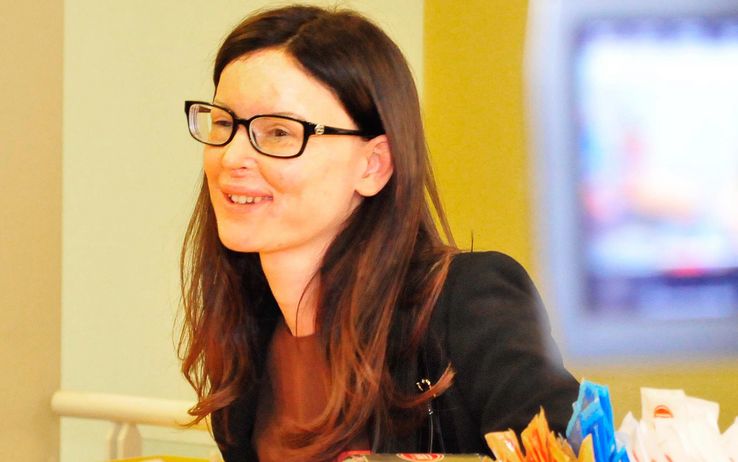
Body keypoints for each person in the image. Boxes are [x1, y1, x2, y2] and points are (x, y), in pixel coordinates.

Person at [179, 4, 579, 462]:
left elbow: (563, 452)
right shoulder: (246, 340)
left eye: (279, 133)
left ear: (373, 165)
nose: (231, 158)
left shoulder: (467, 302)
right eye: (224, 124)